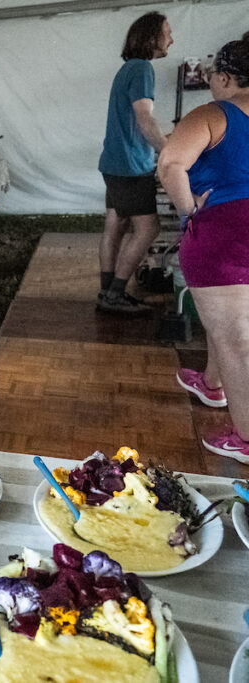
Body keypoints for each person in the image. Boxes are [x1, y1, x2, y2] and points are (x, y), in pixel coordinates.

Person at [159, 35, 249, 462]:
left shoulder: (212, 114)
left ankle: (247, 438)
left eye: (214, 73)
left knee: (236, 339)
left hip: (225, 230)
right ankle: (212, 384)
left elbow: (171, 164)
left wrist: (188, 207)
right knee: (230, 322)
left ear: (227, 76)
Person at [96, 12, 173, 315]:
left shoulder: (128, 68)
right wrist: (169, 152)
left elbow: (134, 122)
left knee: (114, 226)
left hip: (113, 163)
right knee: (148, 229)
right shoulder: (142, 69)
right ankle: (113, 295)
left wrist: (162, 139)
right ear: (152, 36)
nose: (171, 39)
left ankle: (107, 293)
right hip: (129, 166)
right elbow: (144, 119)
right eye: (167, 32)